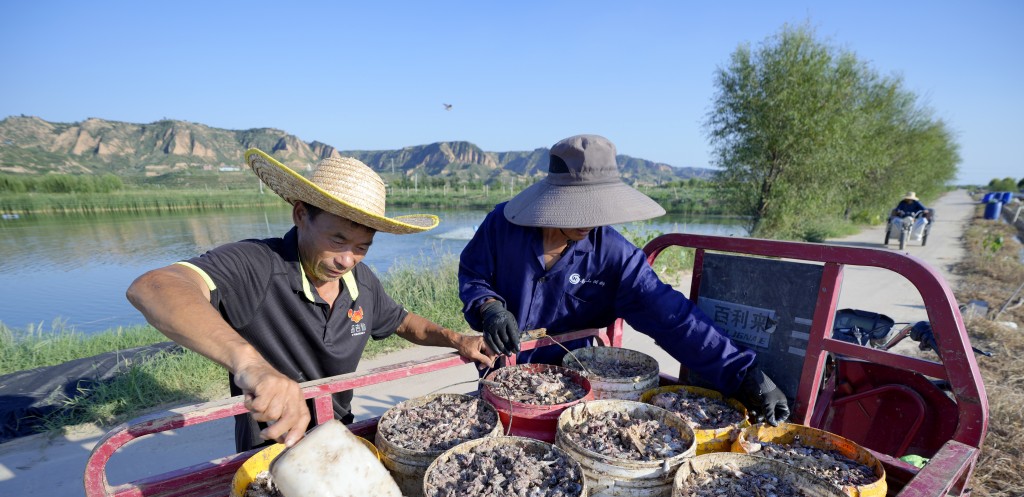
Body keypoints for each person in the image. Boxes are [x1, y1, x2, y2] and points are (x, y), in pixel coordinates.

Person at [127, 149, 496, 451]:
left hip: (339, 437)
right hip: (273, 449)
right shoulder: (256, 265)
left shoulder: (360, 282)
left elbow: (400, 320)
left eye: (362, 247)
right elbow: (154, 286)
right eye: (337, 240)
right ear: (301, 215)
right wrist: (252, 366)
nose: (347, 260)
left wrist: (458, 340)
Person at [458, 134, 789, 425]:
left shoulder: (615, 255)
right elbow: (473, 274)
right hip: (502, 383)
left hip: (574, 391)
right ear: (555, 197)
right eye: (578, 208)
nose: (589, 220)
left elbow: (672, 316)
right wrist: (489, 308)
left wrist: (743, 373)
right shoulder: (503, 227)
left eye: (596, 208)